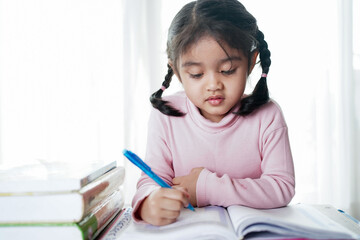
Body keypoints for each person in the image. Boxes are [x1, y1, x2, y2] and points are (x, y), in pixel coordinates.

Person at [132, 0, 295, 226]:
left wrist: (206, 187)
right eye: (197, 74)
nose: (213, 85)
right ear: (178, 72)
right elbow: (151, 180)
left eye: (227, 70)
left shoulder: (268, 115)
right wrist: (148, 203)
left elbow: (281, 187)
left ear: (251, 62)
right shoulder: (165, 115)